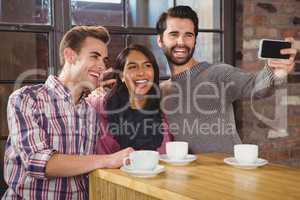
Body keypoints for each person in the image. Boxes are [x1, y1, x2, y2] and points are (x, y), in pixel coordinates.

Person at [2, 26, 133, 200]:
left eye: (104, 59)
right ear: (69, 55)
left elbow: (86, 170)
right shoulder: (27, 99)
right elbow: (39, 163)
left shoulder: (90, 112)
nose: (102, 66)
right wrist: (108, 159)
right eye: (94, 56)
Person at [156, 6, 297, 153]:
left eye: (188, 35)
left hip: (229, 172)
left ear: (194, 40)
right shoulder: (161, 91)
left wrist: (274, 72)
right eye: (174, 34)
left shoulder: (217, 74)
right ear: (160, 40)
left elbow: (256, 87)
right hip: (191, 173)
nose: (181, 42)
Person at [87, 44, 172, 154]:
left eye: (147, 66)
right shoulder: (99, 106)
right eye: (133, 67)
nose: (141, 72)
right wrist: (92, 85)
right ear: (121, 76)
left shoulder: (164, 110)